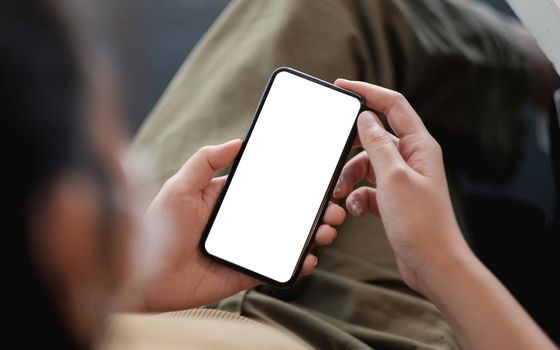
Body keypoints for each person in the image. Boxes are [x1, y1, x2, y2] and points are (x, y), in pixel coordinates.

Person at [5, 0, 558, 350]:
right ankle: (531, 77)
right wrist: (440, 261)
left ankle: (522, 73)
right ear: (66, 233)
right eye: (112, 150)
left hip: (157, 295)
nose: (134, 169)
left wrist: (135, 292)